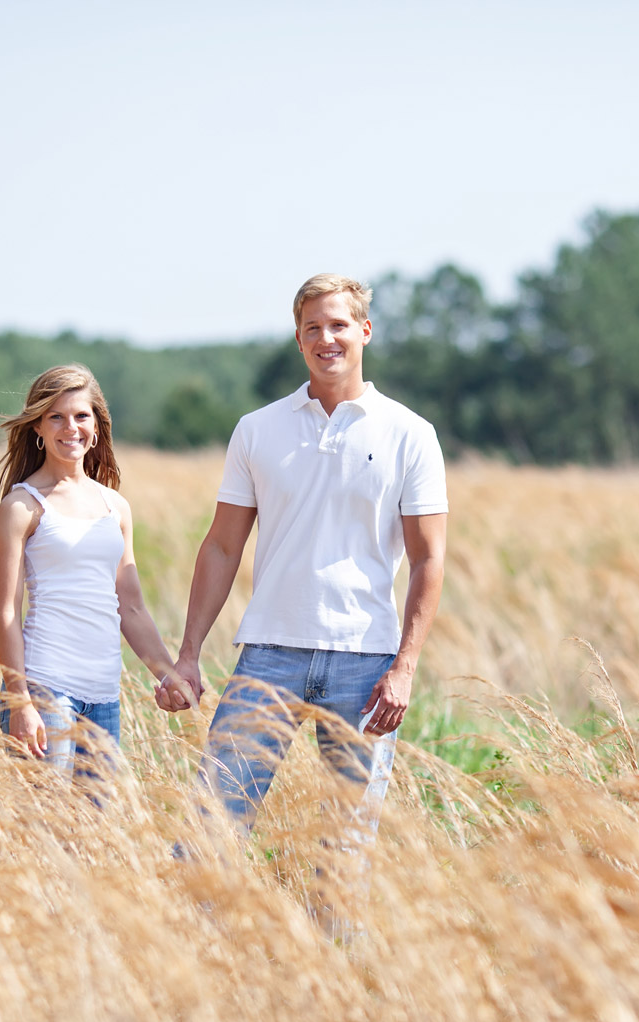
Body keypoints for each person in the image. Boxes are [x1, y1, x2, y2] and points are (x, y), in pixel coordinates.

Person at [158, 273, 448, 848]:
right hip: (269, 654)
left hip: (366, 665)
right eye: (312, 328)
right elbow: (221, 546)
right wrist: (188, 654)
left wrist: (405, 668)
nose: (327, 339)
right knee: (208, 829)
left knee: (347, 846)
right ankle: (193, 939)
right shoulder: (257, 429)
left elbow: (428, 559)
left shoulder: (411, 434)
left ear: (364, 331)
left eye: (339, 325)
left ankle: (331, 943)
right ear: (298, 339)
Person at [0, 364, 193, 783]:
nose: (71, 428)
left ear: (97, 427)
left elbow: (132, 608)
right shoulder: (22, 507)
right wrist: (20, 701)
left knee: (94, 837)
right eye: (56, 417)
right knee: (46, 831)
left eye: (81, 416)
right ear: (38, 429)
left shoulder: (115, 507)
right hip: (45, 688)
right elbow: (7, 614)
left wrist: (168, 675)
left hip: (104, 696)